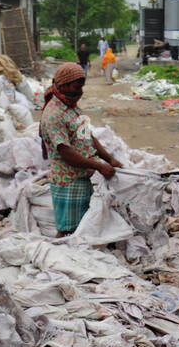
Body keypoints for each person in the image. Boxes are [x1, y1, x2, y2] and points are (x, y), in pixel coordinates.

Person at [39, 62, 122, 236]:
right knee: (68, 231)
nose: (80, 92)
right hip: (68, 181)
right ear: (64, 85)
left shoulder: (72, 108)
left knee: (81, 229)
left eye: (81, 87)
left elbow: (87, 137)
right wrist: (99, 166)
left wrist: (109, 159)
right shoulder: (54, 114)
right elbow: (65, 152)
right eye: (77, 87)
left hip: (82, 178)